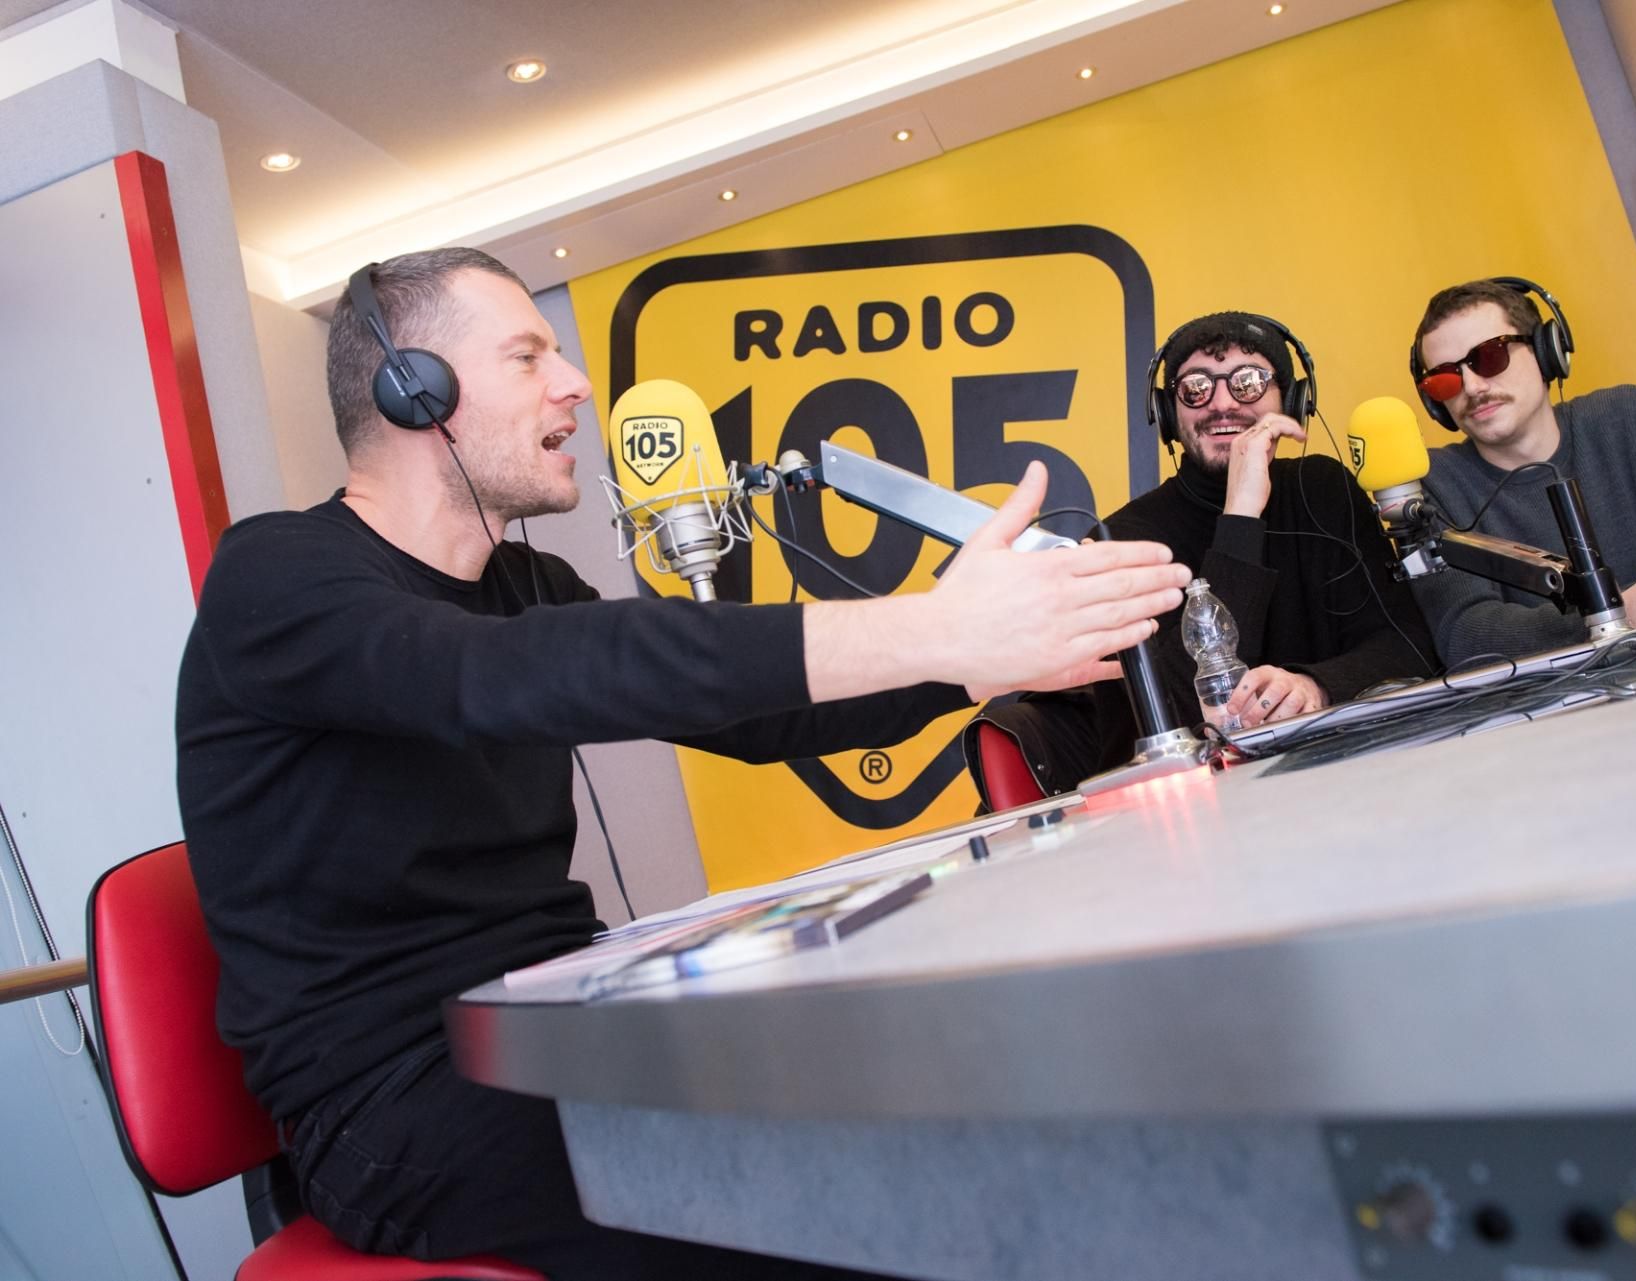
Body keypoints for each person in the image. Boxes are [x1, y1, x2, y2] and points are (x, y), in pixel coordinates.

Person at [175, 248, 1189, 1279]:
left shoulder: (529, 582)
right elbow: (512, 673)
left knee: (910, 1078)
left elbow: (756, 714)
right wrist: (933, 627)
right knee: (845, 1187)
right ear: (413, 390)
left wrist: (969, 662)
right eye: (527, 356)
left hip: (564, 1018)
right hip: (396, 1105)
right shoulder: (277, 575)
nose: (575, 384)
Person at [969, 312, 1437, 794]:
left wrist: (1315, 687)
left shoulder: (1323, 489)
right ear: (1168, 414)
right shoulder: (1124, 540)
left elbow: (1409, 648)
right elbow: (1180, 720)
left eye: (1249, 383)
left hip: (1349, 782)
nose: (1223, 403)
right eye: (1196, 387)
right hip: (1201, 807)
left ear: (1292, 401)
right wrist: (1241, 516)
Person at [1407, 277, 1636, 682]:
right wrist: (1618, 617)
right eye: (1445, 379)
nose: (1473, 387)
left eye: (1490, 357)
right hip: (1575, 719)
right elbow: (1466, 639)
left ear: (1546, 350)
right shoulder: (1430, 486)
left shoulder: (1632, 419)